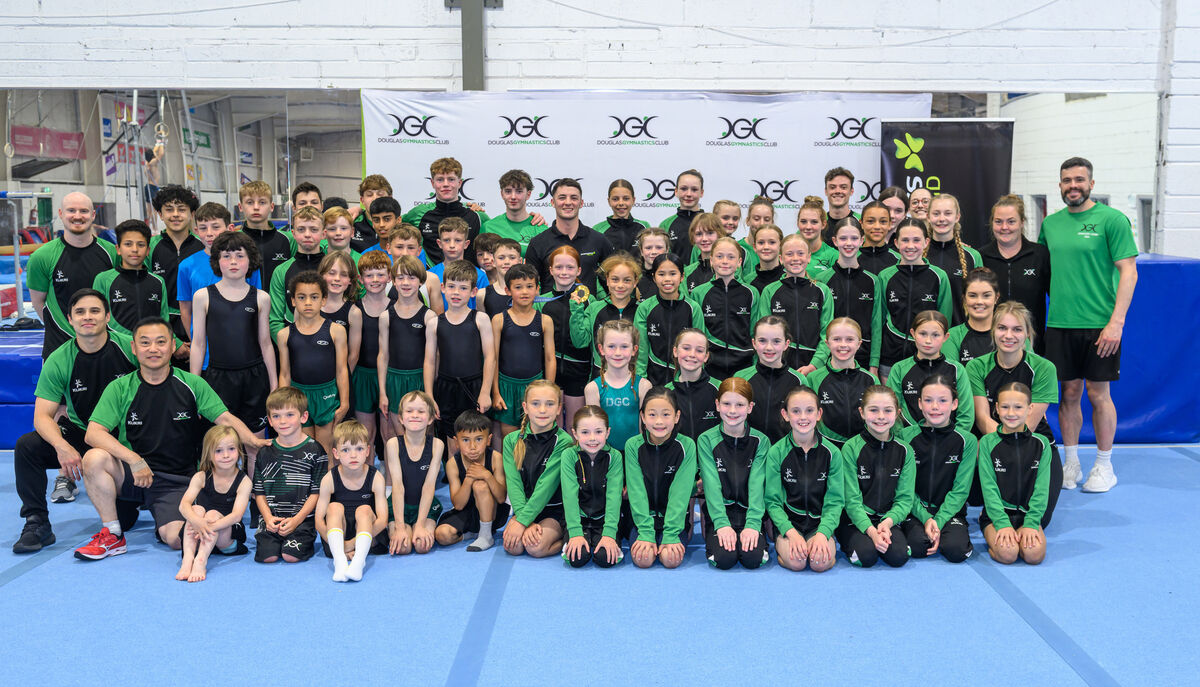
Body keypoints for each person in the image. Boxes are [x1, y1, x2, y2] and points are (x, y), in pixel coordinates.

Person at [74, 317, 266, 560]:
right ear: (134, 348)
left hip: (174, 481)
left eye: (160, 342)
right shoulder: (120, 387)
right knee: (94, 458)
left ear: (172, 345)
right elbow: (93, 433)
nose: (153, 349)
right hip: (134, 474)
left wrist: (254, 441)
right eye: (145, 343)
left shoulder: (191, 384)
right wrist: (134, 460)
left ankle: (227, 533)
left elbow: (225, 419)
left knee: (177, 540)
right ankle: (113, 535)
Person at [1039, 158, 1138, 493]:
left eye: (1079, 179)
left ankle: (1104, 466)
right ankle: (1071, 462)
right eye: (1066, 180)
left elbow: (1129, 271)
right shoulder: (1050, 224)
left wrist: (1116, 323)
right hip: (1060, 325)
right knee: (1068, 394)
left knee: (1099, 394)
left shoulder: (1112, 220)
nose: (1073, 185)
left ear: (1091, 184)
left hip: (1100, 326)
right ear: (1060, 185)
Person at [12, 290, 135, 552]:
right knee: (27, 446)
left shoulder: (129, 348)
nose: (87, 317)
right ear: (69, 319)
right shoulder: (59, 359)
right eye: (80, 312)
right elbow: (42, 416)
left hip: (125, 439)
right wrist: (62, 446)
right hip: (81, 433)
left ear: (108, 316)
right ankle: (37, 523)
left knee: (127, 519)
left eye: (94, 311)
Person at [965, 301, 1064, 513]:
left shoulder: (1044, 368)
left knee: (1040, 520)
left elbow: (1027, 424)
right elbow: (982, 419)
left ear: (1028, 334)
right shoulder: (976, 367)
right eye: (1002, 328)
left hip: (1034, 444)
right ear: (993, 330)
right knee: (974, 499)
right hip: (993, 444)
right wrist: (994, 445)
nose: (1008, 335)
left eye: (1017, 329)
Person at [189, 231, 276, 442]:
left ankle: (253, 476)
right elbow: (198, 344)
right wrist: (195, 387)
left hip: (254, 379)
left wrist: (274, 386)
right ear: (217, 261)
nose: (233, 262)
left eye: (240, 255)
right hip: (218, 378)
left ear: (250, 260)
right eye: (226, 256)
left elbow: (265, 344)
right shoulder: (203, 296)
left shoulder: (261, 298)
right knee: (219, 441)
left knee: (255, 440)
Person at [897, 374, 978, 563]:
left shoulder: (967, 440)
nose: (935, 407)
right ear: (919, 403)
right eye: (928, 400)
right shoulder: (905, 437)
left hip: (951, 512)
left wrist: (938, 521)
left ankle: (942, 531)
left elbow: (961, 490)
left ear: (954, 404)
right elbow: (904, 488)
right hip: (915, 510)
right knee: (917, 547)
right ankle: (923, 528)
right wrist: (926, 518)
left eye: (943, 401)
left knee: (956, 551)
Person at [28, 191, 116, 359]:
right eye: (71, 210)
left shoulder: (112, 253)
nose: (77, 216)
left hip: (105, 346)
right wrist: (68, 328)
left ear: (93, 215)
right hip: (60, 346)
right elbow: (39, 303)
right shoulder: (42, 257)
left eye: (83, 211)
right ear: (61, 214)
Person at [836, 385, 915, 568]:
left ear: (897, 413)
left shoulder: (905, 451)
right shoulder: (850, 448)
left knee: (899, 557)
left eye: (888, 411)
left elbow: (904, 499)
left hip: (886, 520)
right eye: (873, 410)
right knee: (866, 557)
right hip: (854, 520)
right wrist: (871, 531)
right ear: (862, 412)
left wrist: (888, 523)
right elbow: (851, 500)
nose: (881, 417)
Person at [765, 386, 843, 572]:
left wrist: (823, 533)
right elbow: (773, 502)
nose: (803, 417)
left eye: (809, 410)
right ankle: (781, 545)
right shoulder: (776, 452)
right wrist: (790, 533)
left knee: (820, 564)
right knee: (797, 563)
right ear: (785, 414)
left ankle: (822, 543)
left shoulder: (832, 453)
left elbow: (835, 501)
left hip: (819, 524)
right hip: (790, 523)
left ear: (819, 414)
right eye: (796, 411)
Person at [697, 377, 770, 570]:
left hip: (749, 512)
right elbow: (711, 485)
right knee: (724, 559)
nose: (732, 411)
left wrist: (753, 524)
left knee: (753, 559)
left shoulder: (760, 441)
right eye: (726, 403)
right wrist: (721, 524)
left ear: (750, 407)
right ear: (717, 405)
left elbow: (757, 484)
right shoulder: (706, 440)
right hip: (721, 512)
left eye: (739, 405)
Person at [977, 382, 1053, 564]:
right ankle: (994, 538)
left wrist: (1031, 523)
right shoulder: (987, 443)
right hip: (997, 514)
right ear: (996, 408)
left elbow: (1041, 489)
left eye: (1018, 407)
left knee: (1034, 556)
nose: (1011, 413)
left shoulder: (1041, 444)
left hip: (1027, 515)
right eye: (1005, 407)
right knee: (1008, 554)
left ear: (1030, 408)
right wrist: (1002, 524)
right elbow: (989, 488)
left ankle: (1020, 534)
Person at [277, 272, 349, 457]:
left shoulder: (336, 331)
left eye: (314, 297)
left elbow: (342, 370)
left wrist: (345, 403)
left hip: (327, 396)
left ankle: (327, 486)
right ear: (293, 301)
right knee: (305, 452)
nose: (308, 302)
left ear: (323, 300)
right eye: (301, 297)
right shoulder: (284, 335)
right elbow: (285, 373)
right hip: (298, 397)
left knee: (326, 452)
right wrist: (283, 406)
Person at [624, 387, 697, 569]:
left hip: (673, 520)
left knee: (670, 560)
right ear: (642, 417)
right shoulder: (633, 446)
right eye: (652, 415)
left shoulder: (686, 446)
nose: (659, 422)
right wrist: (646, 533)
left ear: (676, 416)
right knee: (643, 560)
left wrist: (671, 533)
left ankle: (674, 534)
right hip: (642, 519)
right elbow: (636, 491)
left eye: (666, 415)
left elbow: (680, 494)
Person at [253, 386, 327, 564]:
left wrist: (296, 520)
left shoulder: (315, 450)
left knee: (290, 556)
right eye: (276, 416)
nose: (283, 421)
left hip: (302, 521)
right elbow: (259, 492)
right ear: (269, 420)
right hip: (272, 521)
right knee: (268, 557)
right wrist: (269, 518)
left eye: (289, 415)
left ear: (304, 417)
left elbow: (316, 494)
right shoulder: (265, 453)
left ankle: (301, 538)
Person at [425, 260, 496, 444]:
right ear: (443, 288)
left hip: (474, 386)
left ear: (473, 292)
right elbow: (430, 361)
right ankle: (454, 474)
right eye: (451, 286)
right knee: (453, 442)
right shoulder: (434, 323)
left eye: (463, 288)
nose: (456, 292)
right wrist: (429, 396)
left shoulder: (480, 319)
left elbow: (490, 357)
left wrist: (485, 392)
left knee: (476, 440)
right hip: (446, 388)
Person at [177, 203, 262, 351]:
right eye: (203, 228)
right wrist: (197, 342)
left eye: (216, 227)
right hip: (206, 351)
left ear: (230, 228)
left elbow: (258, 305)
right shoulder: (187, 266)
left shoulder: (247, 263)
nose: (209, 233)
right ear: (196, 231)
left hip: (244, 346)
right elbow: (185, 308)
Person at [501, 381, 572, 558]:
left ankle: (566, 539)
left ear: (558, 408)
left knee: (535, 548)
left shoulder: (563, 441)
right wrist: (523, 519)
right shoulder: (511, 441)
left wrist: (523, 522)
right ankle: (527, 527)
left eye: (549, 404)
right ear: (525, 407)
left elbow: (545, 486)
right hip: (524, 508)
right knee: (513, 546)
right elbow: (514, 484)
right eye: (535, 404)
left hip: (553, 510)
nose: (542, 410)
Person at [175, 426, 252, 582]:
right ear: (209, 454)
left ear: (239, 450)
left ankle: (200, 561)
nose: (225, 455)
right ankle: (188, 559)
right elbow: (183, 505)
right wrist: (197, 522)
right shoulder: (201, 476)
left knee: (212, 514)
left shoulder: (244, 481)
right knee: (196, 509)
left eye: (231, 449)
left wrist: (208, 526)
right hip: (199, 534)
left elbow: (236, 516)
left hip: (225, 536)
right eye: (218, 451)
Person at [875, 218, 952, 374]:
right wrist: (874, 362)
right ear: (896, 243)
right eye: (905, 240)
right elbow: (877, 322)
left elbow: (945, 322)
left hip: (928, 359)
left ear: (926, 242)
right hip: (889, 359)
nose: (910, 246)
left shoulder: (939, 277)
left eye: (916, 240)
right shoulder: (885, 276)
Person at [315, 420, 388, 582]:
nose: (353, 455)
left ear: (368, 451)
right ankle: (339, 561)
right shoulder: (329, 479)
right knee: (334, 507)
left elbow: (382, 521)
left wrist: (351, 544)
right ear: (336, 453)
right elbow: (318, 520)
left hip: (368, 534)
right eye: (346, 450)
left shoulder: (375, 477)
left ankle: (358, 562)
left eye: (359, 449)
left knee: (364, 510)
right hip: (336, 539)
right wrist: (341, 547)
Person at [492, 263, 556, 439]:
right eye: (518, 287)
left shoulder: (545, 321)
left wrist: (550, 390)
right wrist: (496, 392)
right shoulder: (499, 320)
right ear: (508, 290)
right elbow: (493, 359)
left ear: (537, 289)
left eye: (530, 286)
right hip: (506, 387)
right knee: (510, 439)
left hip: (535, 386)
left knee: (536, 436)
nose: (525, 292)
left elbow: (550, 358)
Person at [982, 194, 1051, 353]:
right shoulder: (981, 257)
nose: (1004, 227)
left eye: (1011, 221)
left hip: (1032, 344)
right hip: (991, 345)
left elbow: (1056, 298)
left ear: (1022, 223)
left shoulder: (1040, 255)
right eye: (998, 221)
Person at [755, 233, 834, 372]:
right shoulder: (769, 291)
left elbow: (827, 333)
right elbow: (764, 332)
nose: (795, 258)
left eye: (800, 253)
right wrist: (776, 363)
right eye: (789, 254)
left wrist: (815, 365)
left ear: (809, 257)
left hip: (813, 369)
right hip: (778, 367)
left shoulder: (822, 291)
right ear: (781, 258)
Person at [378, 255, 438, 437]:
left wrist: (429, 395)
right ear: (393, 281)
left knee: (424, 434)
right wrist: (382, 392)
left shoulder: (429, 317)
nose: (406, 282)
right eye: (400, 277)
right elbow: (383, 356)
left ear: (420, 282)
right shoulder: (386, 316)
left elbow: (430, 360)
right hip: (394, 380)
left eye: (411, 278)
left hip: (419, 378)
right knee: (399, 436)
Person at [560, 405, 626, 568]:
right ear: (574, 433)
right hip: (579, 519)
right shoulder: (569, 456)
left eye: (598, 431)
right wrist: (575, 532)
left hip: (604, 519)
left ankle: (604, 538)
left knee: (606, 559)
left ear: (607, 432)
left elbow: (614, 496)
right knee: (576, 559)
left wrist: (609, 533)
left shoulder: (614, 457)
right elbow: (569, 496)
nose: (592, 438)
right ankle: (576, 537)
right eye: (585, 432)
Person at [886, 310, 973, 432]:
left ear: (945, 337)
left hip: (949, 442)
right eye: (922, 333)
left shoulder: (957, 369)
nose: (928, 340)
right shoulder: (899, 369)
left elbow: (966, 414)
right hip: (910, 441)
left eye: (935, 335)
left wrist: (954, 440)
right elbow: (892, 409)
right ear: (913, 333)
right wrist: (904, 438)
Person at [434, 410, 509, 551]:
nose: (472, 446)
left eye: (479, 439)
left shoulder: (495, 458)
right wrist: (468, 479)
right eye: (466, 440)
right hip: (466, 510)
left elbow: (501, 498)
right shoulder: (453, 464)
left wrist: (487, 475)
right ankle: (472, 534)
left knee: (480, 485)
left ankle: (486, 535)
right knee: (442, 535)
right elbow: (458, 505)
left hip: (492, 510)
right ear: (456, 442)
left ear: (489, 440)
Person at [816, 217, 883, 374]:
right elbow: (819, 324)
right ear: (834, 241)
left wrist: (874, 364)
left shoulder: (873, 281)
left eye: (854, 238)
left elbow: (876, 325)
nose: (848, 243)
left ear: (862, 241)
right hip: (829, 359)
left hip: (863, 358)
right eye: (843, 238)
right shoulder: (822, 280)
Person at [525, 178, 615, 293]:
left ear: (581, 203)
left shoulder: (598, 240)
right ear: (553, 202)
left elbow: (612, 281)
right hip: (548, 311)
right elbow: (529, 286)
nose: (568, 202)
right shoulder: (538, 243)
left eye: (574, 198)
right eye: (562, 197)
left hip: (586, 310)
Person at [383, 391, 445, 555]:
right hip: (399, 505)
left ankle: (418, 524)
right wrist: (400, 526)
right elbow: (397, 486)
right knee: (403, 548)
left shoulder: (437, 445)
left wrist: (420, 524)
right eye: (409, 411)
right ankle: (403, 526)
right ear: (401, 418)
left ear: (430, 418)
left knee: (421, 546)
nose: (415, 415)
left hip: (426, 505)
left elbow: (429, 486)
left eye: (421, 411)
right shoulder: (393, 444)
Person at [804, 318, 879, 451]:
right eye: (837, 339)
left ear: (859, 343)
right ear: (827, 343)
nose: (843, 344)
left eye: (850, 339)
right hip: (825, 447)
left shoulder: (871, 380)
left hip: (862, 447)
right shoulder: (813, 378)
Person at [535, 246, 590, 426]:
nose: (564, 272)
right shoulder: (541, 302)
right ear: (550, 270)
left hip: (578, 372)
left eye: (570, 267)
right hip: (550, 370)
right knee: (552, 423)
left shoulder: (589, 301)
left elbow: (583, 341)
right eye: (559, 267)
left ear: (579, 270)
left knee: (575, 424)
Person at [689, 236, 757, 379]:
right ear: (712, 260)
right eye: (719, 256)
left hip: (744, 365)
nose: (725, 261)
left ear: (739, 262)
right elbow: (696, 333)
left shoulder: (751, 293)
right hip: (710, 366)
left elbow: (755, 333)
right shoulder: (698, 293)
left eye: (731, 257)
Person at [732, 315, 806, 443]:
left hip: (784, 453)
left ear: (786, 344)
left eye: (776, 341)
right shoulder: (740, 378)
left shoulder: (799, 381)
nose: (769, 347)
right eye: (762, 341)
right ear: (754, 343)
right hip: (749, 452)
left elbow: (804, 422)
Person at [404, 158, 490, 265]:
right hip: (430, 278)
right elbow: (393, 225)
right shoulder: (418, 213)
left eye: (451, 179)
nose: (445, 184)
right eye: (440, 179)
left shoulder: (477, 216)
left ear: (459, 183)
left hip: (468, 279)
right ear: (432, 183)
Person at [92, 219, 170, 337]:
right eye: (128, 244)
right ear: (118, 249)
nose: (135, 249)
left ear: (148, 250)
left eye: (141, 244)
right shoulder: (103, 279)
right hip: (116, 347)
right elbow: (96, 318)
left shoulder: (158, 282)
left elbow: (164, 319)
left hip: (150, 347)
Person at [634, 253, 703, 386]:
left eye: (672, 274)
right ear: (653, 277)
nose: (667, 279)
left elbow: (700, 348)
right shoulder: (644, 308)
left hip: (685, 380)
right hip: (653, 380)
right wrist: (640, 380)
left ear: (682, 277)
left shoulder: (693, 308)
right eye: (661, 274)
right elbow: (641, 350)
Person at [147, 185, 203, 348]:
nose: (176, 215)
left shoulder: (204, 247)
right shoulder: (149, 248)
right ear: (160, 214)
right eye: (169, 209)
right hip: (161, 327)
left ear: (192, 214)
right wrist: (175, 343)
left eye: (181, 209)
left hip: (200, 324)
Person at [584, 319, 651, 452]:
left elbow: (644, 431)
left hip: (635, 455)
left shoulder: (644, 386)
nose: (618, 352)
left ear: (634, 350)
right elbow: (594, 431)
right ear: (601, 349)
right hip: (606, 456)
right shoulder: (593, 389)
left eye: (624, 346)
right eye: (611, 346)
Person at [569, 253, 641, 377]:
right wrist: (576, 310)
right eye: (615, 279)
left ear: (635, 282)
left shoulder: (641, 310)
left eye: (627, 280)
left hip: (634, 378)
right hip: (600, 377)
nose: (620, 285)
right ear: (607, 280)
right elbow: (580, 341)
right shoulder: (594, 308)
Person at [268, 206, 326, 339]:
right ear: (293, 233)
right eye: (301, 229)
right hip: (292, 346)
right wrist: (289, 347)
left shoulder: (334, 268)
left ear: (324, 234)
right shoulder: (281, 271)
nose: (307, 234)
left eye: (314, 229)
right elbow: (275, 320)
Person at [926, 194, 982, 326]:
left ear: (957, 217)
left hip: (960, 335)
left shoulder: (972, 256)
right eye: (936, 213)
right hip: (924, 336)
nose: (941, 219)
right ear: (928, 217)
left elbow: (980, 300)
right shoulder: (917, 255)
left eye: (948, 213)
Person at [349, 252, 386, 450]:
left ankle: (390, 480)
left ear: (389, 276)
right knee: (366, 434)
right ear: (361, 280)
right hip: (362, 376)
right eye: (369, 276)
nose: (375, 280)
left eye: (380, 274)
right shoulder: (355, 308)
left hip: (388, 376)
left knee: (389, 434)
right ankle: (369, 477)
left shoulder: (397, 306)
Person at [238, 180, 296, 293]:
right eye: (249, 202)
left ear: (272, 206)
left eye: (262, 202)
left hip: (278, 308)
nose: (256, 207)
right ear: (240, 207)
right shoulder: (232, 241)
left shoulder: (288, 240)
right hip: (243, 307)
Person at [942, 267, 1006, 365]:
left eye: (986, 295)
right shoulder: (952, 337)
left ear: (996, 298)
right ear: (964, 299)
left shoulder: (1012, 333)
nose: (979, 301)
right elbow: (950, 377)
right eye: (973, 295)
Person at [666, 328, 720, 441]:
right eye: (686, 348)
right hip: (681, 456)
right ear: (675, 351)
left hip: (711, 457)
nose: (692, 354)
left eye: (699, 350)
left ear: (706, 356)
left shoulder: (719, 389)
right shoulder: (666, 393)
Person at [429, 217, 490, 310]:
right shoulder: (430, 275)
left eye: (457, 240)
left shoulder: (480, 276)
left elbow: (483, 309)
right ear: (439, 243)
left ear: (466, 244)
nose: (452, 245)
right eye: (446, 240)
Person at [481, 168, 544, 254]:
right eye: (508, 191)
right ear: (502, 194)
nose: (513, 196)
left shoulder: (541, 229)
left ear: (528, 194)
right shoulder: (488, 227)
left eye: (519, 191)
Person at [593, 179, 649, 255]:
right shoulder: (598, 229)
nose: (621, 203)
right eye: (615, 199)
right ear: (609, 201)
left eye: (626, 198)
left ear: (633, 200)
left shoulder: (644, 227)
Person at [659, 169, 705, 256]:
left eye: (694, 189)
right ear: (676, 191)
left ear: (701, 193)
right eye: (684, 189)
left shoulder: (712, 223)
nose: (689, 194)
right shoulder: (665, 225)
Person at [479, 237, 522, 318]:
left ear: (520, 261)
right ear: (493, 262)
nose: (506, 262)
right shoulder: (482, 295)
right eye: (501, 258)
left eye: (512, 257)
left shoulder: (528, 293)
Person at [797, 196, 839, 275]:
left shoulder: (834, 256)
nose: (808, 227)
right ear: (797, 223)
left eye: (814, 222)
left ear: (823, 224)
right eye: (803, 221)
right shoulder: (788, 253)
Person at [351, 174, 392, 252]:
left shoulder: (398, 224)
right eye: (369, 195)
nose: (375, 198)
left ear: (390, 198)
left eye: (380, 194)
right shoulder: (352, 222)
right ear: (362, 200)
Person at [682, 212, 722, 291]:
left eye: (710, 233)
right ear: (693, 237)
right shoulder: (686, 273)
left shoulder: (727, 269)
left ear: (719, 234)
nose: (704, 239)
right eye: (699, 234)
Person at [857, 201, 899, 275]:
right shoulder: (851, 258)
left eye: (883, 221)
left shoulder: (899, 260)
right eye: (870, 221)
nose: (877, 227)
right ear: (861, 223)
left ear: (890, 224)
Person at [745, 223, 784, 293]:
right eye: (761, 242)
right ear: (754, 247)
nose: (766, 247)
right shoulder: (747, 282)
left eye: (772, 242)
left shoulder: (788, 278)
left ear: (781, 246)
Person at [633, 227, 669, 301]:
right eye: (648, 248)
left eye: (659, 247)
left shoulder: (676, 276)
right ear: (641, 251)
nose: (653, 252)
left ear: (667, 250)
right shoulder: (633, 278)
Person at [823, 166, 856, 235]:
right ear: (826, 191)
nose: (837, 191)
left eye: (843, 187)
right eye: (832, 187)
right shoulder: (816, 223)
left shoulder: (862, 223)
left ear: (851, 191)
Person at [142, 144, 165, 228]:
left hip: (148, 187)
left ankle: (146, 228)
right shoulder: (153, 162)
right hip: (152, 188)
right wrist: (161, 143)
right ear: (152, 155)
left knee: (149, 211)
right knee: (154, 210)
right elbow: (161, 154)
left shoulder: (147, 163)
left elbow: (154, 152)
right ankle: (155, 229)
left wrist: (157, 144)